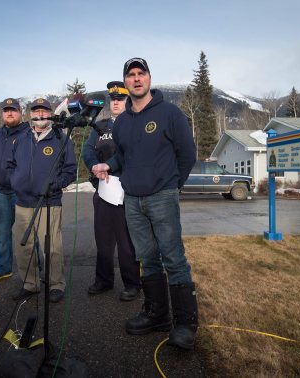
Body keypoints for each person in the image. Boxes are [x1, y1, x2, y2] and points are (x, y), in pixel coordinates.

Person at [92, 58, 199, 350]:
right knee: (148, 258)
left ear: (149, 78)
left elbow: (186, 154)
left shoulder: (169, 113)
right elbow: (123, 158)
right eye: (131, 75)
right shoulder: (123, 122)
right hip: (133, 200)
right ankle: (157, 314)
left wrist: (171, 186)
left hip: (162, 196)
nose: (136, 79)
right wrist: (107, 167)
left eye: (141, 74)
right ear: (126, 82)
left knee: (173, 258)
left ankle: (186, 323)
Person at [8, 98, 77, 303]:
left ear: (50, 114)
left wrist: (55, 184)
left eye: (44, 111)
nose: (40, 114)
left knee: (52, 246)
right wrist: (15, 181)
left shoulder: (61, 138)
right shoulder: (21, 138)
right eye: (36, 111)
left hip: (49, 202)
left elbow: (70, 170)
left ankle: (56, 284)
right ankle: (31, 283)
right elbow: (10, 164)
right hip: (23, 202)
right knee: (24, 246)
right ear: (31, 115)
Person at [82, 81, 141, 301]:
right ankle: (104, 280)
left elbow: (133, 153)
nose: (115, 102)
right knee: (103, 239)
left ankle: (132, 283)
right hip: (103, 189)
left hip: (127, 190)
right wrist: (94, 167)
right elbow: (88, 150)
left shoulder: (135, 124)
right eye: (112, 99)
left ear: (128, 101)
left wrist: (110, 166)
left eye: (120, 98)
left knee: (127, 242)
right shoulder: (101, 126)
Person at [0, 98, 29, 283]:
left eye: (14, 110)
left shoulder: (29, 133)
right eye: (6, 110)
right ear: (2, 113)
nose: (10, 113)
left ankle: (35, 269)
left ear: (20, 113)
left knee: (28, 232)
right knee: (1, 233)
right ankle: (3, 269)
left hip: (22, 192)